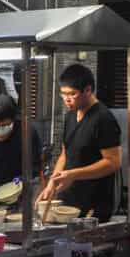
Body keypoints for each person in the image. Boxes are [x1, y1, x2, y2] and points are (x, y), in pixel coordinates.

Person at [38, 64, 122, 222]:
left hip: (94, 204)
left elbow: (113, 162)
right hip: (69, 200)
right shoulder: (70, 116)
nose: (66, 99)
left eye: (72, 94)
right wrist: (51, 184)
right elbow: (65, 154)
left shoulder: (103, 118)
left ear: (88, 90)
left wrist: (73, 174)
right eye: (63, 94)